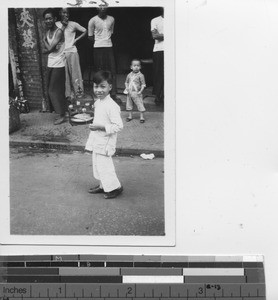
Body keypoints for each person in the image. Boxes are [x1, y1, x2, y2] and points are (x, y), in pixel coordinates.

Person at [85, 71, 123, 199]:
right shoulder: (98, 102)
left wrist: (101, 127)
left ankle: (115, 188)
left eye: (102, 86)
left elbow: (118, 126)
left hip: (105, 142)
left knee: (105, 167)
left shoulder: (112, 106)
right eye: (96, 86)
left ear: (110, 87)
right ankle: (103, 186)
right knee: (98, 166)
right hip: (97, 139)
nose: (98, 90)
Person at [88, 6, 118, 101]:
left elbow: (111, 32)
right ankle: (100, 93)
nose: (102, 8)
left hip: (109, 46)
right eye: (100, 7)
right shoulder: (92, 20)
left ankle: (113, 93)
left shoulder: (112, 19)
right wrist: (99, 42)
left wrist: (105, 42)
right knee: (99, 71)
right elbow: (90, 36)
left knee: (111, 70)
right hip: (98, 47)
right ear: (96, 8)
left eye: (104, 6)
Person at [56, 8, 87, 101]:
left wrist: (76, 40)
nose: (66, 15)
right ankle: (68, 95)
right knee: (65, 75)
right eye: (64, 12)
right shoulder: (56, 24)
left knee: (76, 73)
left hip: (72, 51)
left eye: (67, 13)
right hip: (61, 53)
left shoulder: (73, 24)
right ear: (60, 13)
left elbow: (85, 31)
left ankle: (79, 94)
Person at [42, 8, 67, 125]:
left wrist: (44, 42)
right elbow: (51, 49)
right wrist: (48, 48)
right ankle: (62, 112)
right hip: (50, 63)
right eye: (46, 19)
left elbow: (50, 49)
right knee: (52, 89)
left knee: (53, 90)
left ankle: (62, 114)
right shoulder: (48, 33)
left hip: (59, 64)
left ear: (55, 19)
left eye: (50, 18)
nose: (48, 21)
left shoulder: (59, 32)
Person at [124, 59, 146, 123]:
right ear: (131, 67)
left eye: (138, 65)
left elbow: (143, 84)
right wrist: (127, 88)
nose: (136, 67)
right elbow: (126, 82)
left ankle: (142, 117)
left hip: (137, 92)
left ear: (140, 67)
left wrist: (140, 91)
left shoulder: (141, 75)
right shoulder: (129, 75)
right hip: (130, 92)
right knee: (129, 104)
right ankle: (130, 116)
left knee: (140, 104)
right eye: (134, 65)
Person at [151, 9, 164, 105]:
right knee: (158, 74)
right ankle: (158, 96)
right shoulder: (155, 20)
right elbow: (155, 35)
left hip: (172, 50)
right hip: (159, 49)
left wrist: (162, 35)